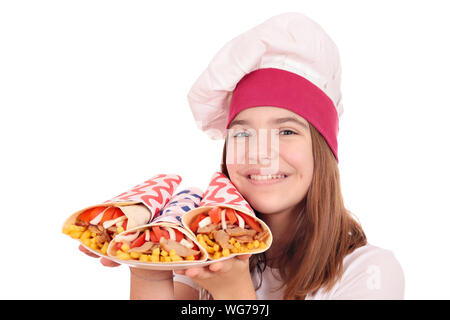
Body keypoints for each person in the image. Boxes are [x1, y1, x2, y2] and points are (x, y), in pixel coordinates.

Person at [79, 12, 405, 300]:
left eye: (287, 131)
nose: (260, 153)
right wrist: (148, 269)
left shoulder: (370, 272)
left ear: (324, 150)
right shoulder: (197, 247)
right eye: (243, 134)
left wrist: (231, 292)